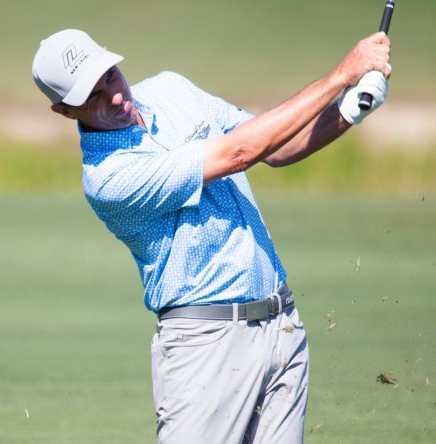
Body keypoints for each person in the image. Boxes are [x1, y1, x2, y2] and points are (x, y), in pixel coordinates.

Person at [32, 28, 391, 443]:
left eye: (110, 76)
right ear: (63, 111)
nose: (113, 96)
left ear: (112, 57)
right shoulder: (108, 177)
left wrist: (350, 109)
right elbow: (239, 153)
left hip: (282, 328)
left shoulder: (171, 89)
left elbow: (273, 148)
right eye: (92, 96)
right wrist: (342, 75)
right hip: (205, 348)